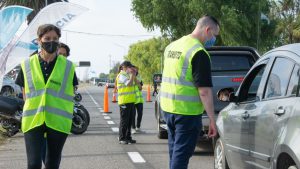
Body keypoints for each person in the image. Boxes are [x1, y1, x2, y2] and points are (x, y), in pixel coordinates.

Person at [160, 15, 219, 169]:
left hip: (168, 110)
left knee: (175, 153)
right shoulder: (199, 52)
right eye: (214, 35)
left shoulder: (172, 46)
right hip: (187, 113)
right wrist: (212, 119)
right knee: (180, 156)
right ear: (207, 30)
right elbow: (204, 91)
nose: (214, 39)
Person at [15, 24, 77, 169]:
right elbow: (25, 94)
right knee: (33, 164)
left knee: (52, 164)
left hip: (58, 120)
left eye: (55, 38)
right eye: (47, 38)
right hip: (33, 120)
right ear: (39, 40)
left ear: (59, 41)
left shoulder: (68, 66)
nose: (51, 41)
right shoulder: (27, 65)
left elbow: (72, 92)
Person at [116, 61, 137, 144]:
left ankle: (128, 137)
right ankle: (122, 138)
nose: (130, 69)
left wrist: (133, 75)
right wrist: (132, 75)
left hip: (130, 101)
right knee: (124, 121)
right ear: (124, 67)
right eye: (129, 67)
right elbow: (128, 84)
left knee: (130, 121)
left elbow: (134, 85)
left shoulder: (127, 75)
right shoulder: (121, 75)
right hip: (124, 101)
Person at [131, 66, 144, 134]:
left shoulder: (139, 78)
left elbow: (140, 88)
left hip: (139, 100)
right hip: (132, 99)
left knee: (140, 114)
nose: (135, 72)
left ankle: (138, 127)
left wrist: (137, 82)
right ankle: (133, 128)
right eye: (134, 70)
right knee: (133, 114)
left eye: (136, 71)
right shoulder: (129, 78)